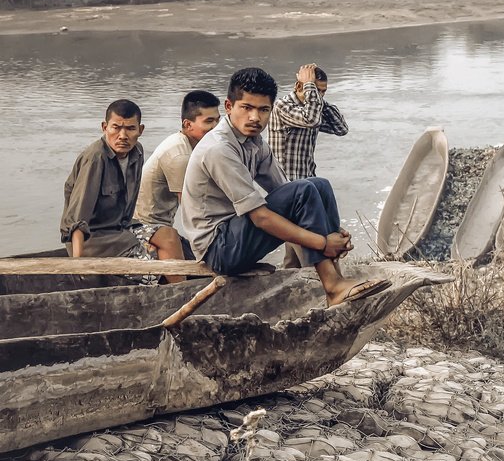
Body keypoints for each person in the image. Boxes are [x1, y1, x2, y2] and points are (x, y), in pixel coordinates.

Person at [181, 67, 389, 306]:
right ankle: (332, 287)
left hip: (236, 236)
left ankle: (336, 276)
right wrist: (322, 242)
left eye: (263, 110)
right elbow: (260, 218)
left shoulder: (254, 142)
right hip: (219, 249)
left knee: (317, 185)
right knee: (304, 190)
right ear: (229, 107)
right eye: (246, 108)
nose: (255, 118)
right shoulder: (219, 148)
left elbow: (286, 189)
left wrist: (331, 230)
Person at [60, 99, 185, 283]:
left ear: (140, 130)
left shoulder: (137, 153)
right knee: (155, 264)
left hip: (121, 229)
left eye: (130, 129)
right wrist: (78, 263)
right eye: (116, 128)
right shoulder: (96, 159)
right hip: (94, 240)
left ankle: (182, 292)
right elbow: (77, 220)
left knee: (170, 236)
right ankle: (178, 293)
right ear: (105, 127)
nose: (123, 135)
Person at [268, 63, 349, 268]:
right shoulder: (284, 106)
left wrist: (317, 96)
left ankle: (290, 292)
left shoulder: (313, 105)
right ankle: (331, 285)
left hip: (308, 185)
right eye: (315, 90)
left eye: (323, 91)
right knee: (311, 252)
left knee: (293, 256)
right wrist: (310, 86)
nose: (319, 95)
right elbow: (311, 120)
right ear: (299, 86)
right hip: (288, 188)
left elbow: (341, 128)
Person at [135, 90, 221, 258]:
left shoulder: (195, 146)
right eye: (209, 121)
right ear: (188, 125)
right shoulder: (180, 155)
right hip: (145, 228)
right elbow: (192, 209)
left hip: (163, 225)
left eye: (218, 120)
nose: (216, 127)